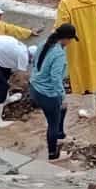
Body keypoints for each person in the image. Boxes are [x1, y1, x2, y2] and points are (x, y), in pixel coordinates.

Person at [31, 23, 78, 160]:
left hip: (34, 87)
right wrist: (62, 96)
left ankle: (60, 134)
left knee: (62, 109)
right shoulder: (58, 54)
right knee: (52, 123)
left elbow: (34, 63)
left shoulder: (44, 43)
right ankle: (53, 154)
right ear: (65, 38)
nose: (70, 43)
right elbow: (56, 78)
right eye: (70, 40)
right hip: (47, 94)